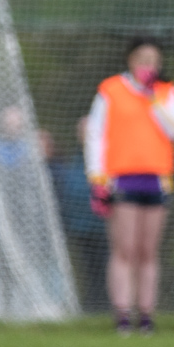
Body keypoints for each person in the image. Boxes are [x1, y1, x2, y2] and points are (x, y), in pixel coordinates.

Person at [85, 37, 174, 334]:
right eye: (142, 58)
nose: (148, 65)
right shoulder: (111, 90)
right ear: (130, 60)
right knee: (124, 249)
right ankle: (123, 315)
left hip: (157, 179)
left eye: (154, 60)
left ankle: (146, 316)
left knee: (147, 250)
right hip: (122, 177)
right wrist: (97, 177)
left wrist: (153, 98)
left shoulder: (167, 92)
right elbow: (96, 133)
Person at [50, 117, 110, 313]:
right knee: (87, 269)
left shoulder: (105, 157)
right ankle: (90, 308)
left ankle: (104, 307)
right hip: (79, 227)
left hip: (101, 225)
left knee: (103, 268)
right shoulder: (74, 161)